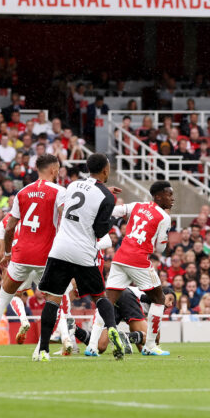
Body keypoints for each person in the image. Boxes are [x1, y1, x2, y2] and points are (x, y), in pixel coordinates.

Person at [0, 154, 67, 361]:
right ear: (54, 170)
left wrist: (7, 252)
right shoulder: (59, 192)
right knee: (53, 301)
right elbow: (66, 221)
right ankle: (41, 349)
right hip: (46, 258)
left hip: (21, 256)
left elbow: (10, 225)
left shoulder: (22, 192)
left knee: (2, 299)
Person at [36, 153, 126, 361]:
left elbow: (81, 202)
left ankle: (43, 350)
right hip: (83, 253)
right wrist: (111, 211)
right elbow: (100, 231)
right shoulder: (107, 197)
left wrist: (105, 195)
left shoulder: (73, 185)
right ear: (105, 170)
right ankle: (112, 329)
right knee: (99, 297)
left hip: (60, 249)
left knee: (53, 300)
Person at [84, 180, 174, 356]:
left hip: (120, 256)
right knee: (159, 299)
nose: (172, 199)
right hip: (138, 259)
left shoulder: (137, 206)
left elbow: (115, 211)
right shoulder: (164, 217)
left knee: (107, 301)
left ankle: (92, 346)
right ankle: (149, 346)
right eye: (169, 194)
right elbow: (161, 249)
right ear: (158, 196)